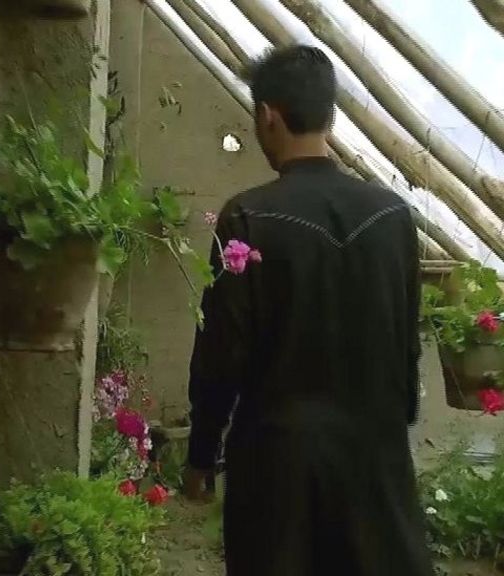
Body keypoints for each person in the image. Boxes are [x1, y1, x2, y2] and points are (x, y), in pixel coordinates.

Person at [181, 45, 435, 576]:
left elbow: (221, 353)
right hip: (374, 461)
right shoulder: (393, 215)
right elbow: (406, 342)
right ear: (329, 114)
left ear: (267, 115)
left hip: (277, 468)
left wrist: (202, 452)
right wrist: (395, 428)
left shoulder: (247, 215)